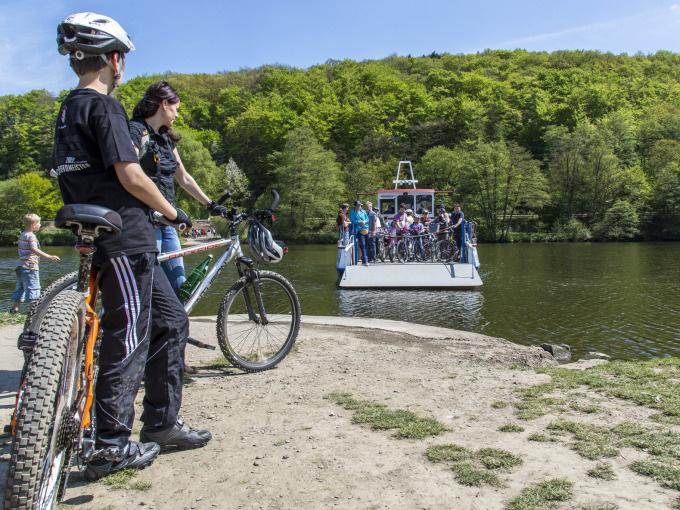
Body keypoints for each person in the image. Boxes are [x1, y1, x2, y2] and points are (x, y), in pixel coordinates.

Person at [53, 12, 210, 481]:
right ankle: (111, 444)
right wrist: (172, 210)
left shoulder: (67, 108)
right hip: (125, 237)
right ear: (115, 60)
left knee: (171, 320)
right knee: (129, 335)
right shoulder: (105, 108)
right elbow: (130, 173)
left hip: (106, 233)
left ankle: (161, 424)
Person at [129, 81, 227, 293]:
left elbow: (184, 178)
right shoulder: (136, 130)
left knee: (179, 287)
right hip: (145, 220)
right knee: (145, 287)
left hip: (170, 223)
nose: (177, 115)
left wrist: (211, 204)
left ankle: (168, 325)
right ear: (164, 104)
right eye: (176, 108)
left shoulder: (166, 139)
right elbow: (129, 173)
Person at [10, 214, 60, 313]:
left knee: (20, 288)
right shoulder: (31, 236)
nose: (40, 225)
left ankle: (14, 309)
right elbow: (34, 249)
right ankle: (33, 313)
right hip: (30, 267)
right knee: (33, 288)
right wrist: (49, 256)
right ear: (33, 224)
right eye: (39, 223)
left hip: (20, 266)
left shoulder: (22, 234)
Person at [349, 200, 369, 265]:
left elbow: (367, 219)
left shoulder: (363, 211)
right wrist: (359, 222)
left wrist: (365, 221)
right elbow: (352, 221)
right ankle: (365, 261)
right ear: (355, 206)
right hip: (359, 230)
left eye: (360, 205)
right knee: (362, 245)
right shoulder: (353, 212)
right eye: (358, 205)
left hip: (366, 229)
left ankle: (364, 259)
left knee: (367, 245)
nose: (359, 207)